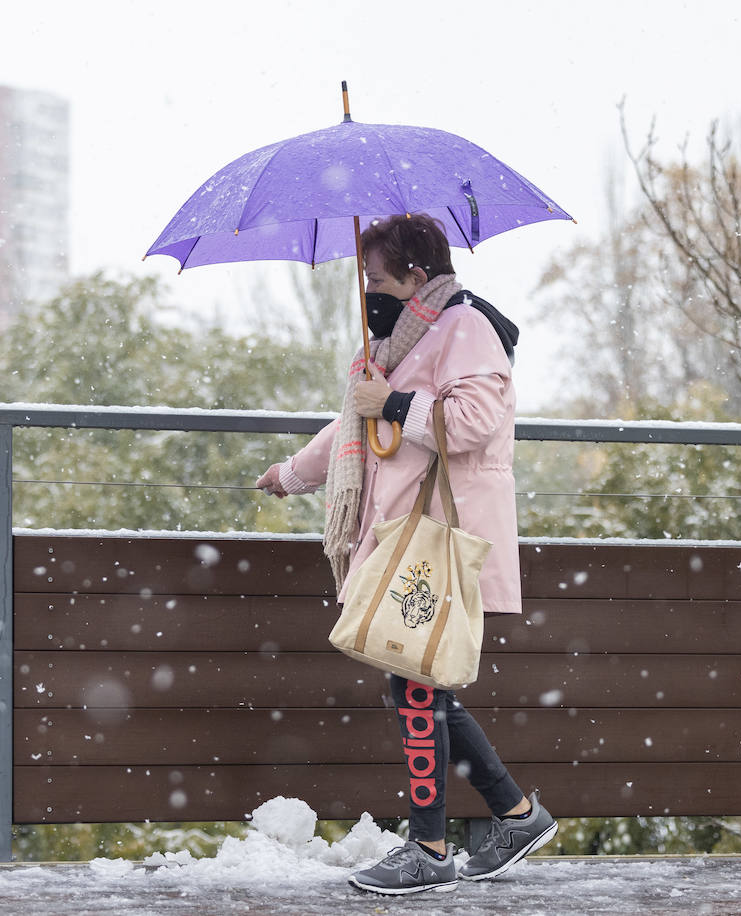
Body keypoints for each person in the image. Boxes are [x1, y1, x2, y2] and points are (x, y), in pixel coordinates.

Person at [255, 213, 557, 896]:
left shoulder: (465, 326)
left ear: (417, 273)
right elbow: (354, 424)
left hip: (442, 536)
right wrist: (294, 473)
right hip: (408, 535)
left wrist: (391, 400)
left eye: (379, 276)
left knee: (412, 681)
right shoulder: (398, 339)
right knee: (423, 681)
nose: (370, 288)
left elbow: (477, 421)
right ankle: (513, 814)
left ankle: (429, 846)